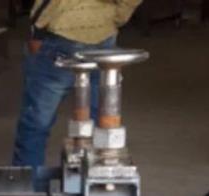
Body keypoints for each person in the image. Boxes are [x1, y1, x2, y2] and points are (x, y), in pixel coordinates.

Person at [12, 0, 143, 168]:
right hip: (103, 36)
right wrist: (115, 17)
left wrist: (38, 30)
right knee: (99, 123)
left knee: (36, 123)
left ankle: (28, 180)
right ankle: (94, 177)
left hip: (61, 34)